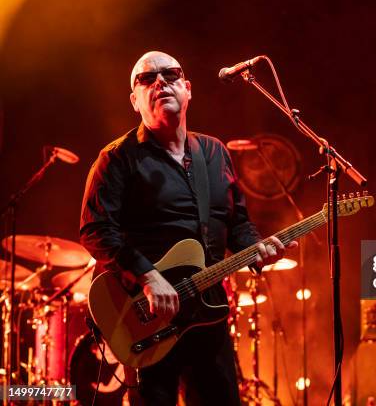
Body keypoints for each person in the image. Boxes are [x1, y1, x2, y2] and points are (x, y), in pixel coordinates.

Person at [80, 51, 296, 405]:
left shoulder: (214, 152)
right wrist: (148, 277)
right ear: (135, 101)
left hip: (207, 314)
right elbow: (95, 229)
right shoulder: (117, 158)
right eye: (147, 79)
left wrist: (258, 248)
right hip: (149, 318)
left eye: (171, 74)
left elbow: (236, 221)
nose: (160, 81)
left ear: (188, 89)